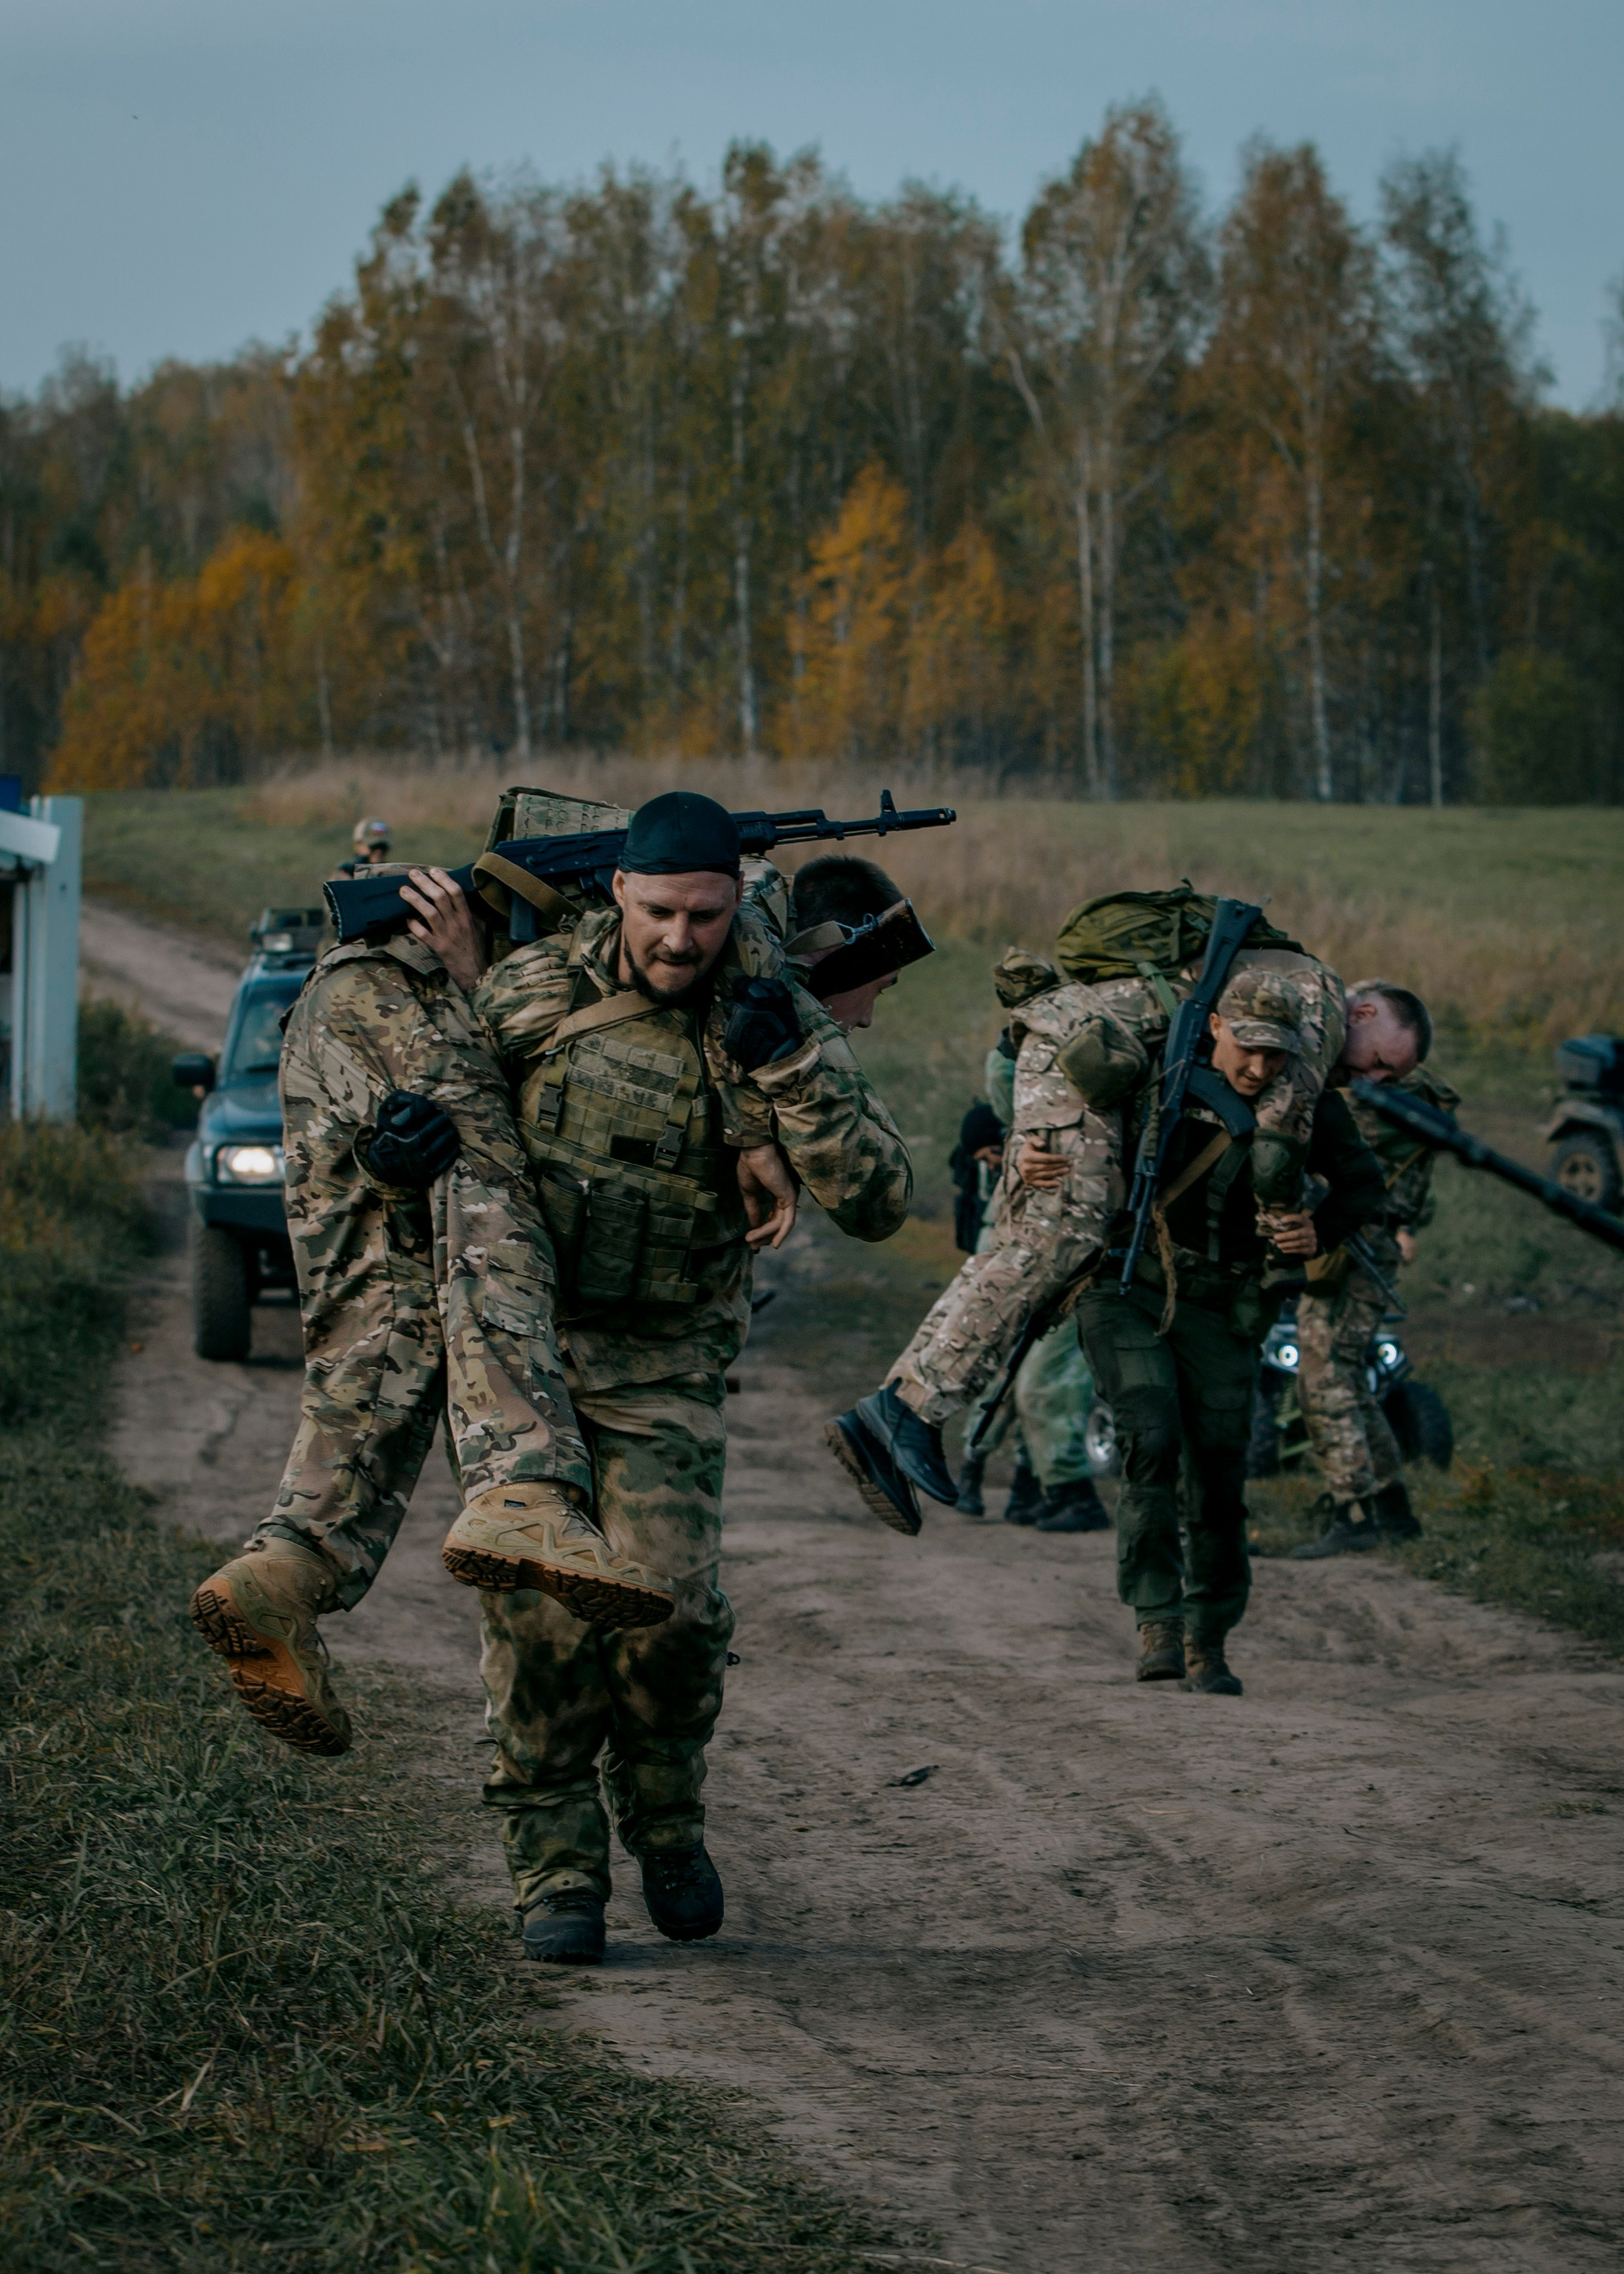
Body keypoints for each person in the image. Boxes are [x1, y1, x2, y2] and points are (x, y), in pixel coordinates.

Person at [421, 791, 912, 1967]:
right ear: (617, 895)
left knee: (673, 1615)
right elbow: (451, 1133)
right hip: (527, 1362)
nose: (679, 941)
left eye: (703, 915)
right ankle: (556, 1869)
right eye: (656, 913)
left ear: (737, 902)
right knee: (540, 1618)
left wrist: (787, 1065)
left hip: (668, 1368)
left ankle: (666, 1820)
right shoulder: (536, 994)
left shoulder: (771, 1009)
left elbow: (882, 1201)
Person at [189, 865, 674, 1759]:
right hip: (406, 998)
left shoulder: (352, 970)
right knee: (492, 1206)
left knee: (382, 1319)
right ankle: (523, 1486)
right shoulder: (658, 914)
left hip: (337, 1026)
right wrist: (479, 975)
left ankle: (286, 1570)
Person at [825, 894, 1348, 1536]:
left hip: (1081, 1051)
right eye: (1384, 1063)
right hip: (1077, 1052)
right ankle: (907, 1412)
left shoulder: (1267, 976)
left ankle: (901, 1409)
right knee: (1059, 1236)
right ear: (1370, 1014)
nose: (1369, 1077)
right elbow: (1279, 1139)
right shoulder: (1318, 1009)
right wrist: (1284, 1223)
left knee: (1041, 1247)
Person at [1073, 970, 1386, 1695]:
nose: (1258, 1068)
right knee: (1151, 1436)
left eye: (1275, 1056)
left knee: (1217, 1471)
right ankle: (1157, 1617)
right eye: (1247, 1049)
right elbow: (1057, 1123)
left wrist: (1319, 1229)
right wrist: (1033, 1158)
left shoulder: (1304, 1103)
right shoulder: (1154, 1074)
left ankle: (1206, 1637)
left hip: (1225, 1302)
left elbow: (1363, 1185)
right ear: (1213, 1026)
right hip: (1129, 1287)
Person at [1292, 981, 1458, 1559]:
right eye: (1376, 1065)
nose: (1372, 1079)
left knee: (1324, 1373)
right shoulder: (1411, 1094)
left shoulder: (1388, 1100)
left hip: (1359, 1241)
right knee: (1344, 1375)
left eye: (1386, 1068)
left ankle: (1353, 1510)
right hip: (1368, 1241)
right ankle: (1392, 1508)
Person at [955, 1040, 1108, 1534]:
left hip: (1052, 1267)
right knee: (1010, 1380)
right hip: (1013, 1268)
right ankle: (987, 1473)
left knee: (1036, 1381)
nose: (996, 1160)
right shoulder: (1020, 1154)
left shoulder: (1050, 1141)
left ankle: (1033, 1484)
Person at [329, 816, 393, 881]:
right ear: (357, 846)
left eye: (382, 850)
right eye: (373, 849)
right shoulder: (348, 871)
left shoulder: (392, 874)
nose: (377, 855)